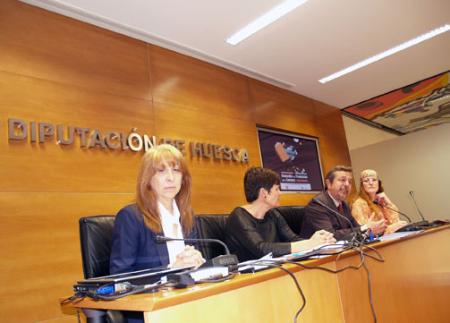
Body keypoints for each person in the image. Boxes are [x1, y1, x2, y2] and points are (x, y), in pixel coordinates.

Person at [110, 144, 205, 274]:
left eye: (176, 170)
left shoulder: (186, 215)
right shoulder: (131, 217)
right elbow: (120, 277)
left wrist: (198, 261)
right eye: (161, 171)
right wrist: (171, 270)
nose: (171, 178)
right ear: (148, 179)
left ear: (184, 179)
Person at [225, 167, 335, 262]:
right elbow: (262, 249)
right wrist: (309, 244)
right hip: (248, 279)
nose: (280, 193)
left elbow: (292, 239)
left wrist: (319, 242)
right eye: (277, 189)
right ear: (264, 193)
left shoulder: (273, 214)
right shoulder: (238, 216)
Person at [301, 165, 387, 241]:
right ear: (328, 184)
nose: (347, 184)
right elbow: (330, 236)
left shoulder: (343, 204)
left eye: (350, 181)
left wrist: (370, 228)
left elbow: (355, 228)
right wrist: (365, 228)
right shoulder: (317, 205)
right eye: (342, 180)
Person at [351, 169, 407, 234]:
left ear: (378, 183)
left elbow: (395, 221)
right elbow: (364, 232)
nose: (371, 183)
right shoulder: (359, 204)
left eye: (374, 180)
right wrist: (389, 229)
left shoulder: (380, 201)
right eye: (366, 181)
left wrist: (388, 202)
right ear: (362, 185)